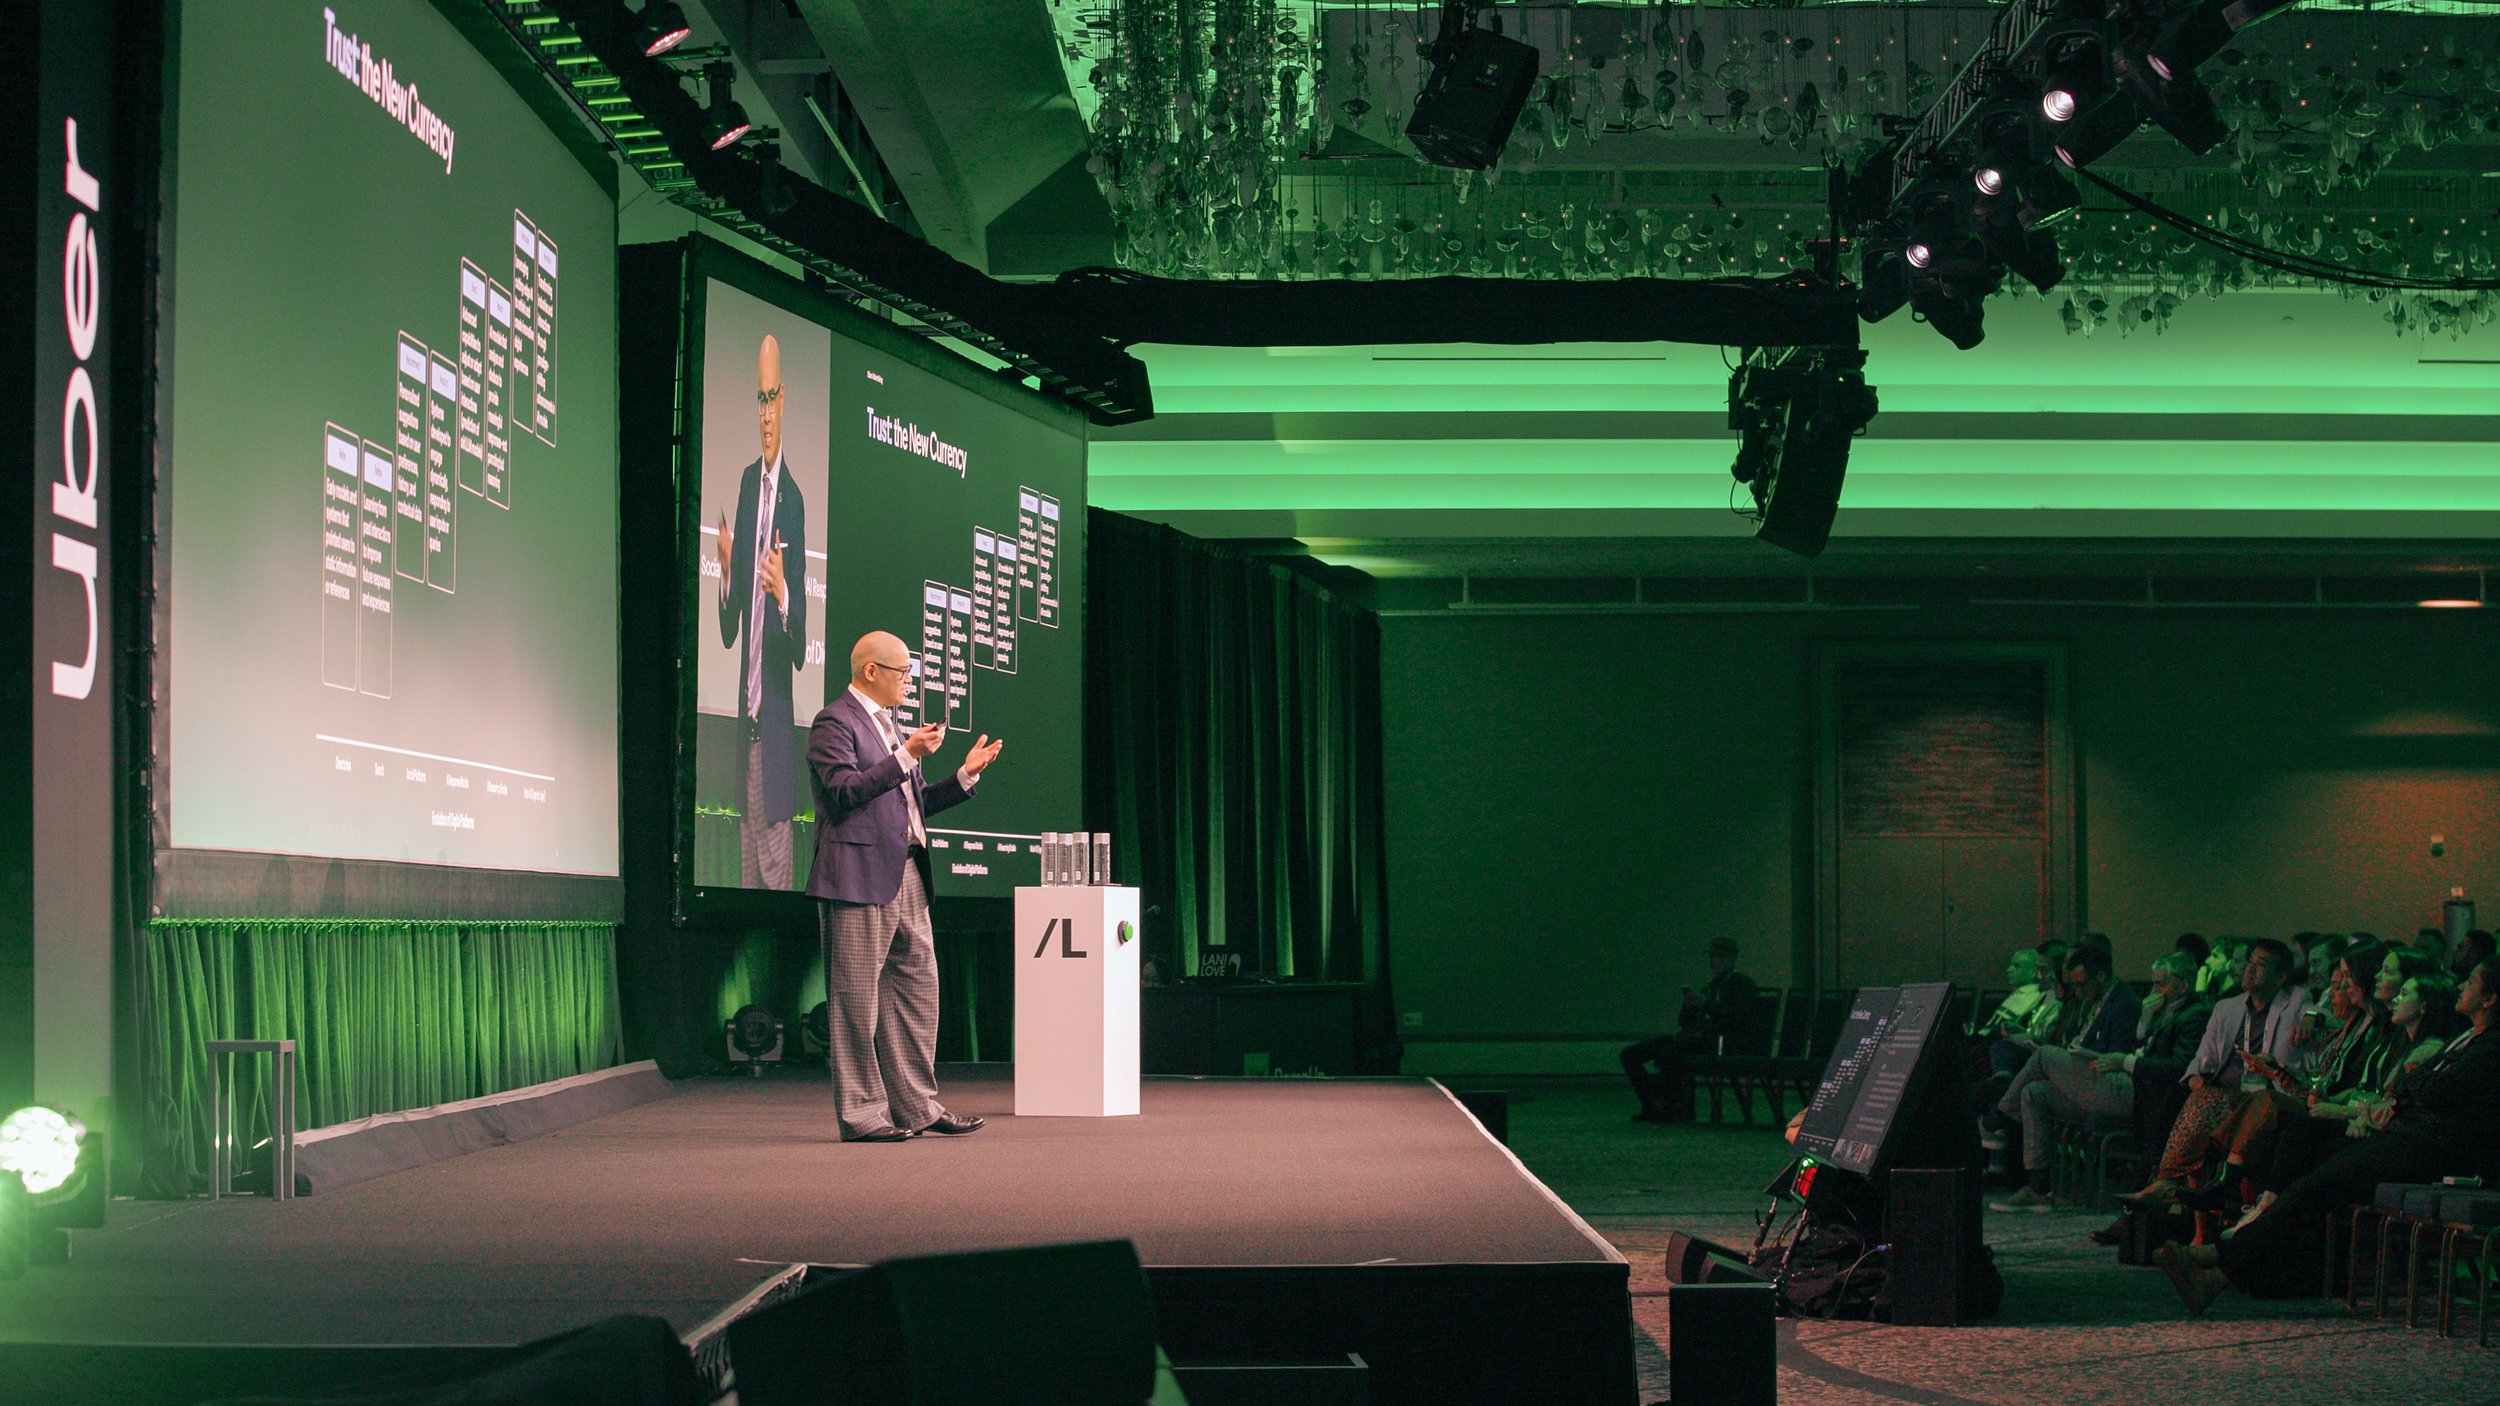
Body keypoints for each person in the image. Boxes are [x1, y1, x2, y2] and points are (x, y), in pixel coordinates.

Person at [2159, 956, 2500, 1312]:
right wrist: (2412, 1086)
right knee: (2307, 1163)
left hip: (2434, 1150)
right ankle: (2230, 1271)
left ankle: (2216, 1261)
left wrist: (2413, 1085)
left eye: (2473, 981)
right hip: (2407, 1135)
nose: (2463, 985)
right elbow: (2410, 1085)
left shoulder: (2491, 1046)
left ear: (2490, 999)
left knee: (2314, 1186)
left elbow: (2428, 1088)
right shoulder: (2464, 1039)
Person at [807, 632, 1004, 1142]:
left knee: (917, 991)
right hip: (856, 876)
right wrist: (906, 756)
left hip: (908, 871)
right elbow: (845, 792)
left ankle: (917, 1106)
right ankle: (862, 1114)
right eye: (902, 673)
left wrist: (963, 776)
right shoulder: (835, 721)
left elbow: (912, 807)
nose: (908, 682)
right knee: (855, 1001)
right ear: (871, 671)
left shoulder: (890, 727)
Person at [717, 335, 810, 890]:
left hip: (774, 742)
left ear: (785, 401)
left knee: (775, 887)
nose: (766, 413)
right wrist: (729, 571)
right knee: (746, 886)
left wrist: (782, 597)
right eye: (759, 398)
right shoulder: (749, 483)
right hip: (744, 736)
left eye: (773, 397)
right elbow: (730, 632)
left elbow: (799, 650)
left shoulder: (793, 500)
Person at [2119, 938, 2309, 1208]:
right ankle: (2165, 1184)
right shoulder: (2226, 1008)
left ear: (2280, 977)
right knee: (2190, 1094)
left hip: (2267, 1097)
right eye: (2250, 961)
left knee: (2194, 1102)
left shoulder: (2294, 1002)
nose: (2250, 969)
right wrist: (2196, 1076)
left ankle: (2165, 1184)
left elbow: (2316, 1010)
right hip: (2228, 1094)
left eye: (2261, 964)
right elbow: (2200, 1059)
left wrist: (2309, 1019)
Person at [1987, 945, 2145, 1212]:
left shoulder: (2124, 1004)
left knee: (2046, 1055)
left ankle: (1997, 1119)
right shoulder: (2091, 1002)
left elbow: (2119, 1056)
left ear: (2102, 976)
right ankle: (2038, 1188)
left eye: (2082, 984)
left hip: (2116, 1085)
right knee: (2034, 1092)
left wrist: (2079, 1057)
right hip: (2092, 1080)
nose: (2078, 991)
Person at [1620, 937, 1760, 1124]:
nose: (1714, 962)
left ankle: (1669, 1106)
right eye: (1713, 957)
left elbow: (1735, 1018)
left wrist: (1706, 1005)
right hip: (1699, 1037)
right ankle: (1653, 1102)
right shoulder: (1711, 987)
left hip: (1721, 1041)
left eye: (1719, 957)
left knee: (1673, 1050)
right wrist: (1690, 1006)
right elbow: (1685, 1023)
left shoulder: (1742, 985)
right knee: (1630, 1054)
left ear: (1732, 959)